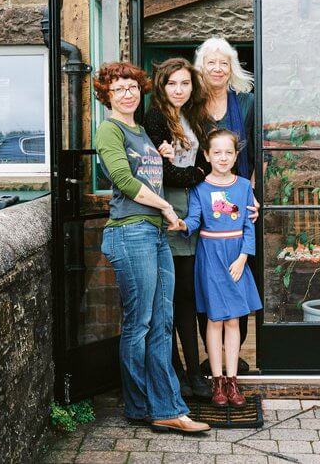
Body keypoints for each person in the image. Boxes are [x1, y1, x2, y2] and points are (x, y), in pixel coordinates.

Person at [92, 61, 209, 434]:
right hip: (130, 233)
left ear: (140, 90)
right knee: (139, 323)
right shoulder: (109, 131)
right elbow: (123, 179)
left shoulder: (141, 131)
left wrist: (166, 161)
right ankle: (141, 405)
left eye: (131, 87)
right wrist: (164, 207)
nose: (126, 94)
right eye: (118, 89)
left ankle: (166, 408)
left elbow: (153, 179)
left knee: (161, 323)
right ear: (106, 96)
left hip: (156, 232)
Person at [176, 129, 262, 407]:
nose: (223, 158)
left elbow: (249, 226)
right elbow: (194, 218)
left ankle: (233, 381)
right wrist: (181, 225)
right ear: (206, 155)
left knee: (234, 320)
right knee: (214, 320)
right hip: (210, 257)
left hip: (235, 257)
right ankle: (217, 382)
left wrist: (243, 258)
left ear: (236, 155)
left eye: (228, 152)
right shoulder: (200, 188)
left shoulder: (243, 187)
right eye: (217, 152)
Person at [142, 57, 212, 400]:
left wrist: (195, 173)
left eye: (185, 83)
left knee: (186, 295)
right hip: (164, 209)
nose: (179, 90)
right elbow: (164, 174)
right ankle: (176, 373)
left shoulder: (194, 117)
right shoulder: (153, 116)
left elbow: (204, 162)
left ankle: (194, 372)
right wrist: (195, 174)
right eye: (173, 84)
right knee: (167, 298)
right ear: (161, 85)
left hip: (190, 211)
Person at [193, 37, 257, 372]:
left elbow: (257, 154)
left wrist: (253, 195)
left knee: (237, 280)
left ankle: (235, 359)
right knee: (208, 283)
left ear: (231, 68)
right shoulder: (191, 105)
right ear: (201, 67)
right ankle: (211, 360)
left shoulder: (245, 103)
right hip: (201, 205)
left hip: (236, 202)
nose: (217, 69)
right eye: (211, 63)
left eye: (224, 63)